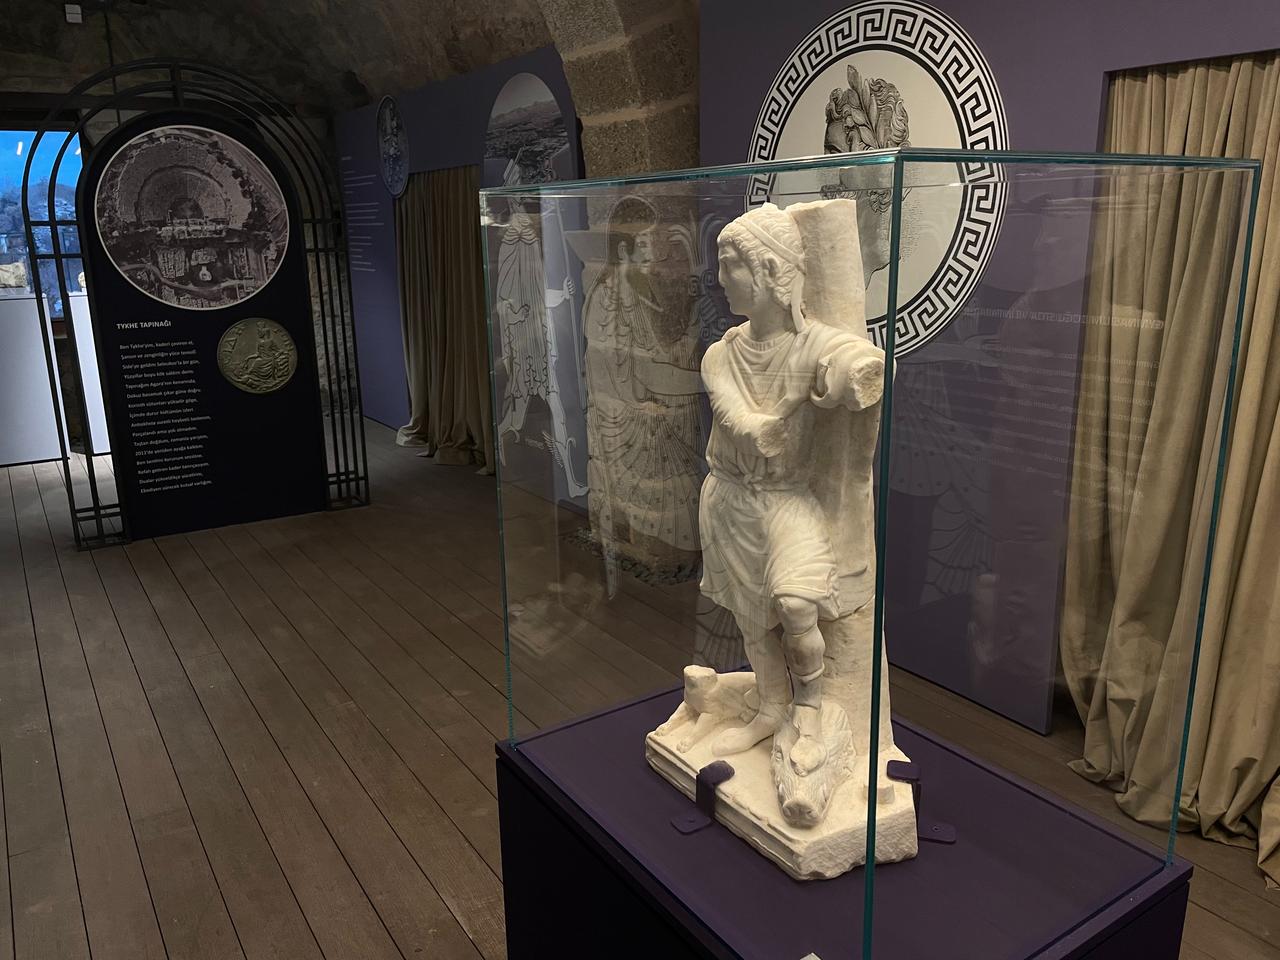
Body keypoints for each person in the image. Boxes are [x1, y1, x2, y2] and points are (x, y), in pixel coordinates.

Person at [700, 202, 883, 774]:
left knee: (798, 602)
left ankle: (809, 709)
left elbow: (847, 355)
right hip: (730, 496)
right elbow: (739, 421)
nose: (722, 277)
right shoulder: (720, 354)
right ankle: (770, 706)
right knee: (752, 619)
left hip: (786, 500)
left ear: (773, 273)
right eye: (722, 263)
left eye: (733, 264)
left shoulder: (811, 344)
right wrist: (771, 420)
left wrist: (852, 372)